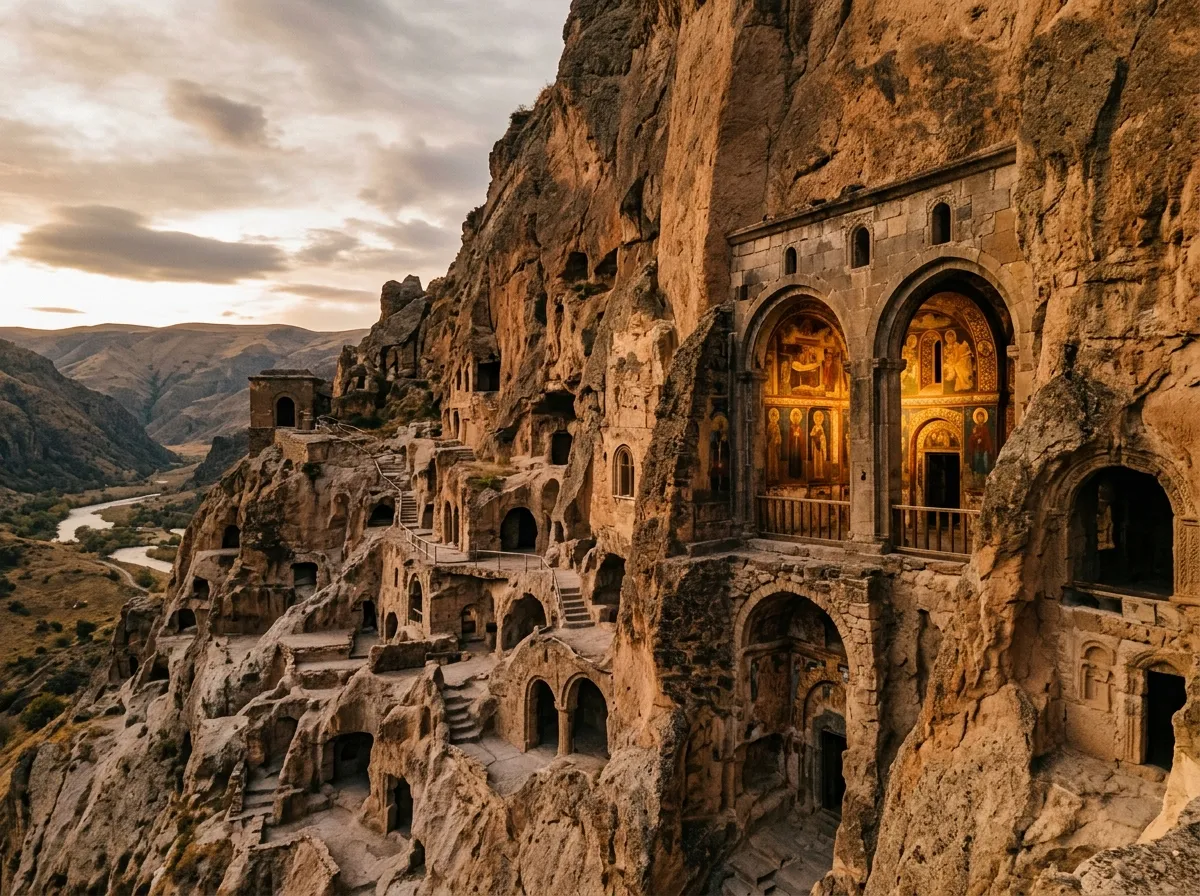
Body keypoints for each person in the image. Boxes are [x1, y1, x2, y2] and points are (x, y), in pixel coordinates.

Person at [810, 410, 828, 480]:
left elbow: (823, 436)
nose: (818, 420)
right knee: (816, 460)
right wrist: (815, 435)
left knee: (820, 460)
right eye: (816, 419)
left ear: (821, 420)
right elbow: (811, 434)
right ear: (815, 420)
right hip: (815, 445)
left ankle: (820, 474)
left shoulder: (821, 427)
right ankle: (815, 474)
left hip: (820, 446)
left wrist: (821, 437)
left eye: (819, 419)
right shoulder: (814, 427)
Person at [767, 409, 782, 483]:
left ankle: (776, 476)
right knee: (770, 460)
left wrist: (777, 439)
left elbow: (779, 435)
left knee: (775, 460)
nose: (773, 418)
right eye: (772, 417)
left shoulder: (777, 426)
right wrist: (771, 437)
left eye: (775, 417)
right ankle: (770, 476)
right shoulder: (769, 425)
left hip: (775, 445)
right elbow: (768, 435)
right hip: (770, 445)